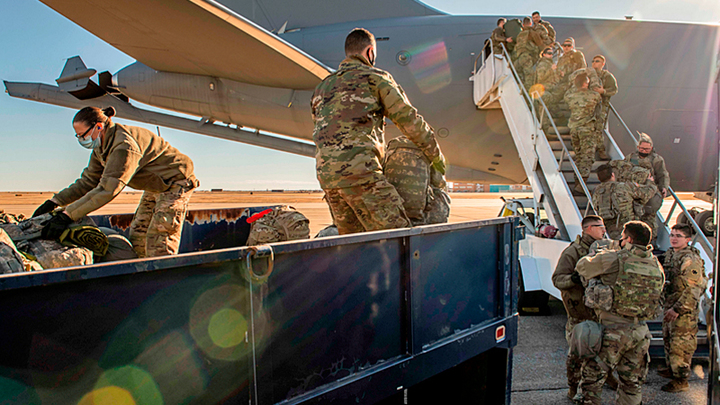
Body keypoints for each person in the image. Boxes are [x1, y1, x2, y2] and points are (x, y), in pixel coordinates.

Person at [311, 28, 445, 235]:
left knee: (354, 245)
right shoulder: (375, 78)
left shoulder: (323, 87)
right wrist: (436, 157)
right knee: (398, 240)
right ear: (370, 52)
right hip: (362, 177)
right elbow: (409, 120)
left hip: (328, 180)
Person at [32, 106, 198, 258]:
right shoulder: (102, 147)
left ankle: (163, 281)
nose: (81, 139)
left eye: (83, 135)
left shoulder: (124, 147)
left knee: (159, 239)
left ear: (98, 127)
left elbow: (107, 190)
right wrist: (55, 201)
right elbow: (88, 181)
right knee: (138, 234)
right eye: (78, 136)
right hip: (155, 186)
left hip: (175, 183)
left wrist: (67, 215)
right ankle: (140, 277)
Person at [575, 221, 664, 405]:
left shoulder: (614, 258)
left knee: (592, 382)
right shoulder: (655, 264)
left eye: (622, 238)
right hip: (640, 332)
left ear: (629, 239)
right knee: (632, 384)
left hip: (613, 331)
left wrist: (597, 254)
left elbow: (582, 267)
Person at [552, 215, 612, 399]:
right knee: (577, 356)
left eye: (603, 226)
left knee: (603, 352)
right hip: (580, 314)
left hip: (599, 312)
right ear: (587, 229)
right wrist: (573, 279)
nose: (603, 230)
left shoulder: (607, 249)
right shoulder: (573, 252)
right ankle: (573, 386)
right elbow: (557, 279)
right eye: (598, 227)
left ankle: (604, 380)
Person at [659, 223, 708, 392]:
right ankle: (672, 369)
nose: (673, 238)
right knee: (669, 339)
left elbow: (693, 289)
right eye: (672, 235)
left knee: (681, 344)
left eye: (678, 236)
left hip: (683, 309)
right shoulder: (672, 254)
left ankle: (681, 379)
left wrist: (678, 309)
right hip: (671, 304)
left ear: (688, 239)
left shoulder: (689, 259)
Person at [623, 133, 670, 239]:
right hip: (634, 192)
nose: (644, 151)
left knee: (649, 218)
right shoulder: (630, 158)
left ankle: (651, 241)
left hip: (650, 193)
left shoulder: (657, 160)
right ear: (638, 147)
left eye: (647, 149)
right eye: (642, 148)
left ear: (651, 148)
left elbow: (663, 175)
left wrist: (664, 187)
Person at [592, 164, 656, 239]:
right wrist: (650, 182)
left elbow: (595, 207)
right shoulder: (623, 187)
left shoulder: (596, 192)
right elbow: (647, 193)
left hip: (608, 230)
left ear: (599, 178)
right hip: (628, 228)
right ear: (612, 175)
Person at [565, 73, 601, 195]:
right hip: (586, 129)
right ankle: (581, 183)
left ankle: (578, 182)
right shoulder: (594, 95)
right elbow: (600, 101)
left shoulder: (570, 95)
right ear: (586, 83)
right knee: (587, 157)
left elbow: (567, 96)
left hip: (574, 129)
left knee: (579, 156)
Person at [590, 55, 618, 161]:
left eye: (597, 61)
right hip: (588, 106)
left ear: (602, 64)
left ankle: (600, 151)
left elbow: (614, 90)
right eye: (593, 61)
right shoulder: (588, 74)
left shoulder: (607, 76)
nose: (594, 63)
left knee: (598, 128)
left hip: (601, 106)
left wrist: (603, 92)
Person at [512, 17, 539, 91]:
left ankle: (519, 90)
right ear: (530, 23)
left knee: (517, 75)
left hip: (519, 58)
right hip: (527, 56)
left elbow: (516, 47)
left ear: (523, 25)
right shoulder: (532, 32)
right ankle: (526, 94)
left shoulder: (520, 35)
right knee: (530, 76)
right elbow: (539, 42)